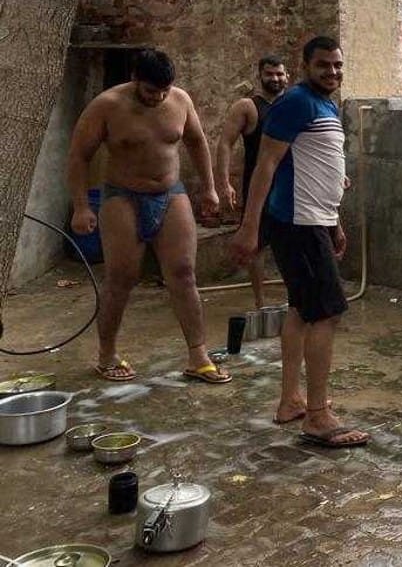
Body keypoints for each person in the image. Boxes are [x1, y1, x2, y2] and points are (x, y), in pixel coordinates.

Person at [230, 35, 369, 448]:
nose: (333, 71)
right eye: (323, 64)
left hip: (315, 220)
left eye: (338, 65)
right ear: (305, 65)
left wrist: (335, 223)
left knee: (301, 310)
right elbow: (265, 165)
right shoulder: (295, 102)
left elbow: (320, 168)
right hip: (298, 223)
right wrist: (249, 227)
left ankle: (291, 400)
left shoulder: (325, 105)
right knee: (326, 313)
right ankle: (318, 415)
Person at [66, 49, 229, 383]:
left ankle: (198, 356)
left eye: (164, 90)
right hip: (123, 196)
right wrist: (81, 206)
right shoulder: (107, 105)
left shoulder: (180, 100)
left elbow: (197, 142)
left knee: (183, 274)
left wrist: (210, 188)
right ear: (135, 79)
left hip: (170, 193)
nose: (159, 98)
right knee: (121, 278)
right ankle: (107, 354)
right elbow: (79, 156)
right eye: (151, 91)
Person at [215, 55, 289, 308]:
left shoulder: (294, 105)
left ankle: (296, 299)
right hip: (258, 186)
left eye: (279, 74)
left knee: (292, 243)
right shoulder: (247, 107)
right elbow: (225, 143)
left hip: (290, 185)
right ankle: (260, 302)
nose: (275, 78)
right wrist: (224, 182)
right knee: (255, 244)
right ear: (260, 76)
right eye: (269, 74)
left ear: (287, 76)